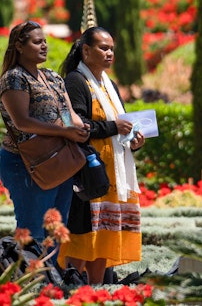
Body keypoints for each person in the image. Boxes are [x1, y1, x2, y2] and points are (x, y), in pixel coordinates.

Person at [56, 26, 145, 284]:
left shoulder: (110, 84)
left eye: (111, 49)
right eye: (103, 48)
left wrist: (135, 140)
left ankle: (97, 290)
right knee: (84, 236)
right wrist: (114, 128)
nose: (109, 53)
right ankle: (73, 289)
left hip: (111, 176)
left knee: (104, 236)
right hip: (88, 174)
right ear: (85, 50)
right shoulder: (75, 81)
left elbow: (121, 124)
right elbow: (76, 125)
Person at [0, 20, 90, 245]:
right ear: (19, 47)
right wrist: (65, 130)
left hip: (60, 160)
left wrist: (79, 127)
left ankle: (50, 279)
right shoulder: (14, 77)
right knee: (32, 231)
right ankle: (29, 279)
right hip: (26, 162)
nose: (44, 46)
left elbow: (68, 115)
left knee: (56, 230)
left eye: (45, 41)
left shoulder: (52, 77)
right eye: (37, 42)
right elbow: (22, 122)